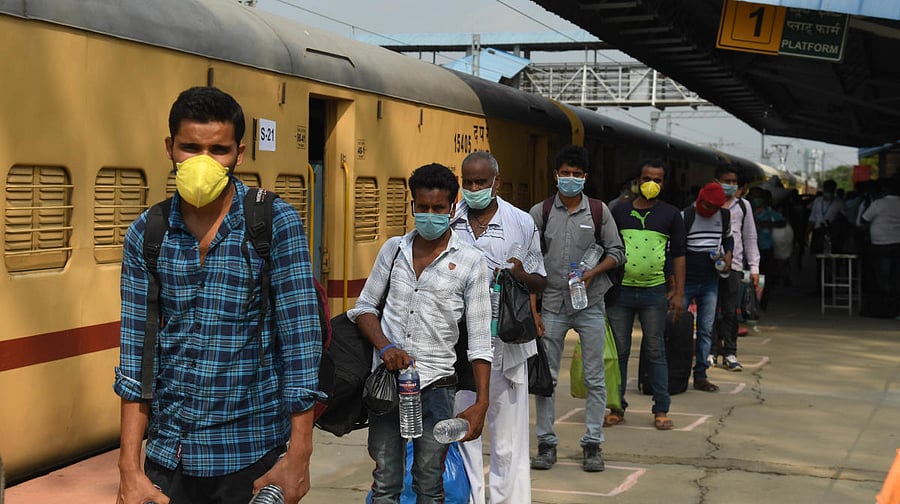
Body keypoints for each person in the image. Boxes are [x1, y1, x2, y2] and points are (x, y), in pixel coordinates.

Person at [114, 87, 323, 504]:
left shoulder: (272, 222)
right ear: (169, 148)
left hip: (251, 455)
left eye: (219, 150)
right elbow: (137, 354)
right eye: (190, 148)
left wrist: (299, 456)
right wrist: (128, 468)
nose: (204, 162)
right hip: (168, 456)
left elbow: (301, 345)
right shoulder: (147, 232)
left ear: (240, 154)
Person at [348, 163, 493, 503]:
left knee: (429, 482)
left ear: (452, 207)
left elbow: (480, 338)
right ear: (412, 206)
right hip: (388, 385)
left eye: (438, 208)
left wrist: (482, 403)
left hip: (437, 388)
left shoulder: (472, 262)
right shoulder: (393, 250)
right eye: (422, 208)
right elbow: (364, 308)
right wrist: (385, 348)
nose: (429, 215)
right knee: (385, 480)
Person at [449, 152, 546, 504]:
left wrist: (519, 274)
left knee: (508, 443)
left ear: (496, 182)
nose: (473, 189)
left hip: (506, 347)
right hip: (459, 348)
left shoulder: (521, 223)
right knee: (464, 434)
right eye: (468, 182)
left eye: (480, 182)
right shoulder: (449, 219)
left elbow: (540, 281)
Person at [528, 145, 625, 473]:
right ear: (556, 176)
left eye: (577, 174)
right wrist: (534, 310)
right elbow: (528, 262)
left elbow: (617, 251)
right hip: (553, 305)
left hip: (591, 303)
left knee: (596, 377)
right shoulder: (540, 213)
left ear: (586, 178)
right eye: (565, 173)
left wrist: (592, 273)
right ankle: (546, 443)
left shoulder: (598, 212)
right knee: (547, 378)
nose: (570, 179)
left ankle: (593, 443)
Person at [606, 159, 685, 431]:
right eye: (647, 178)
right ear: (637, 181)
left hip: (655, 292)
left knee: (655, 351)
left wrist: (678, 293)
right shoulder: (619, 212)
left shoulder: (671, 215)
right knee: (620, 352)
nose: (652, 183)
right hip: (622, 292)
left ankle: (661, 409)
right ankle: (616, 407)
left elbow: (678, 255)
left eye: (658, 179)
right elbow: (608, 248)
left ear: (664, 183)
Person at [683, 182, 733, 393]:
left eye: (715, 207)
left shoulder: (724, 217)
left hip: (710, 281)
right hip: (686, 281)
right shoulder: (686, 215)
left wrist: (728, 257)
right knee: (679, 327)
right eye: (707, 205)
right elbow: (674, 248)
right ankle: (677, 371)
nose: (710, 210)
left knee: (705, 330)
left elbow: (728, 240)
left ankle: (701, 375)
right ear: (700, 198)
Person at [711, 166, 759, 371]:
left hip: (735, 265)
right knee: (709, 310)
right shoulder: (707, 204)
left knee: (731, 311)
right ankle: (711, 350)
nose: (730, 185)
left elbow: (749, 237)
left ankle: (730, 352)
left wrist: (754, 266)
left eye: (733, 182)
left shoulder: (743, 207)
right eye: (726, 180)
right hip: (709, 265)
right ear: (717, 181)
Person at [860, 176, 900, 319]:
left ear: (885, 189)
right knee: (896, 276)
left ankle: (884, 307)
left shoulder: (879, 203)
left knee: (882, 277)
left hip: (880, 244)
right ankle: (895, 308)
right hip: (898, 243)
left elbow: (863, 220)